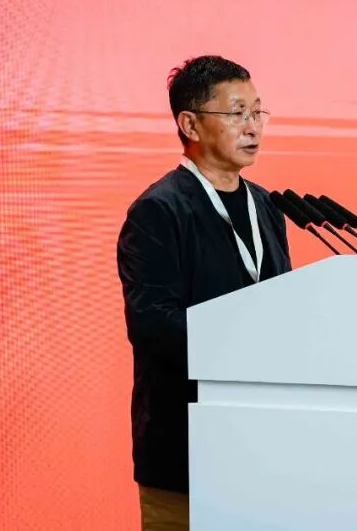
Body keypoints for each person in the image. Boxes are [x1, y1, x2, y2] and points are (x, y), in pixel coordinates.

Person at [116, 55, 292, 530]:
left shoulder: (266, 207)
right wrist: (246, 347)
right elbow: (154, 325)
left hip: (264, 446)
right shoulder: (158, 212)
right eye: (236, 113)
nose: (253, 126)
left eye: (257, 111)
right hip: (187, 450)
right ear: (190, 124)